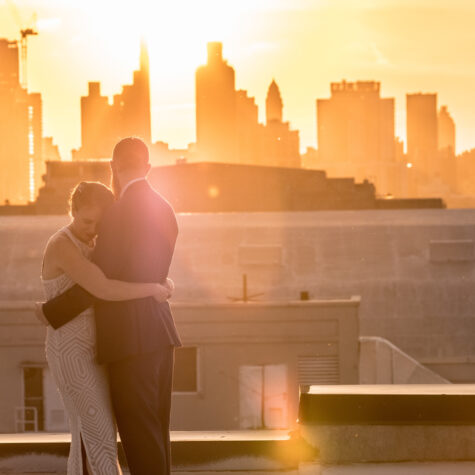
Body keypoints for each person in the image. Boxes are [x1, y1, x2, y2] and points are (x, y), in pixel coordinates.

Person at [38, 137, 182, 475]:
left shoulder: (117, 214)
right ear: (148, 167)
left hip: (129, 342)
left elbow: (101, 280)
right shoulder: (166, 208)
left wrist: (51, 311)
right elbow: (150, 269)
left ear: (113, 168)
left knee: (138, 437)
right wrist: (160, 287)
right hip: (161, 334)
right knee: (158, 432)